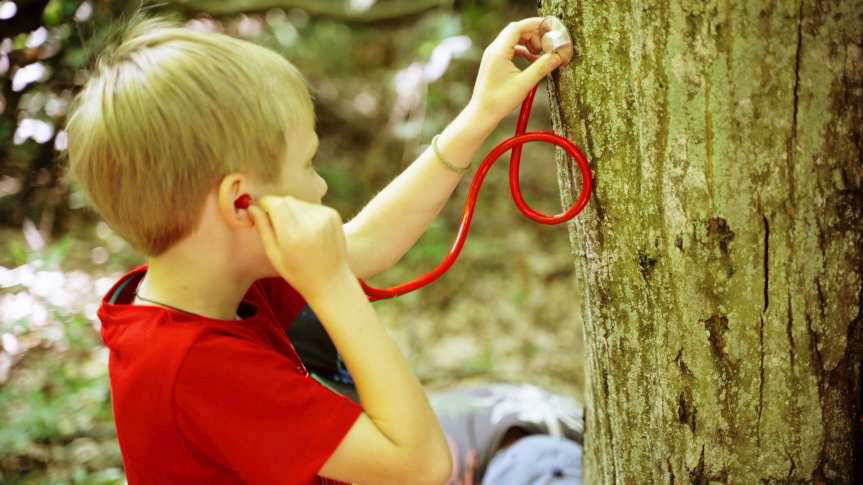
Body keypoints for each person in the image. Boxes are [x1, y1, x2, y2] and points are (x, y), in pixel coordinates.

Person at [68, 8, 566, 484]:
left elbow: (368, 242)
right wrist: (330, 287)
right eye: (308, 164)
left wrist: (480, 115)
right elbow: (422, 465)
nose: (321, 186)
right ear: (241, 201)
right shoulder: (190, 369)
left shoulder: (210, 276)